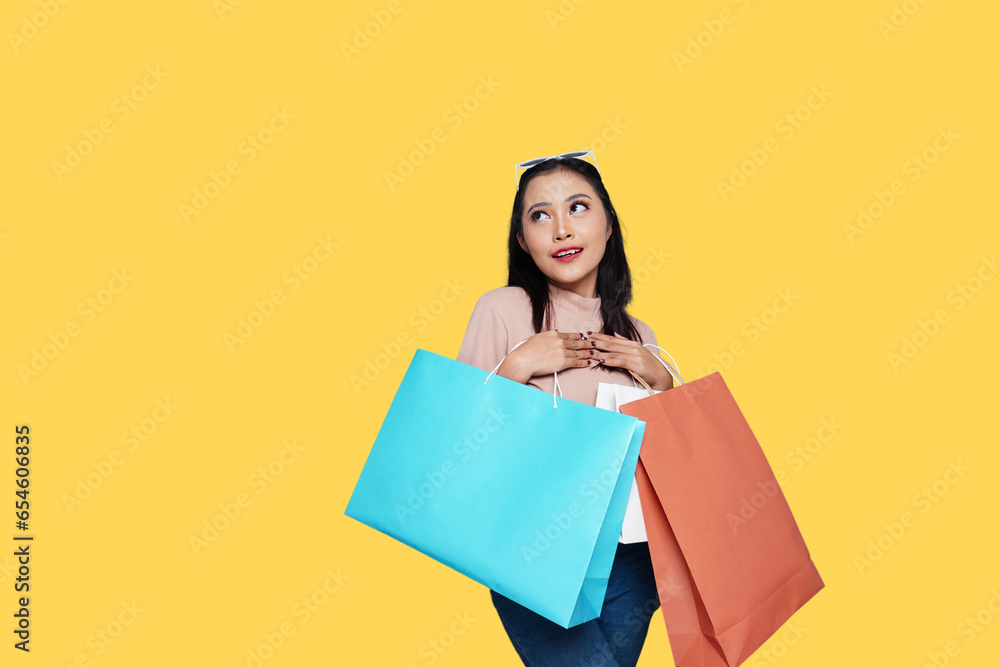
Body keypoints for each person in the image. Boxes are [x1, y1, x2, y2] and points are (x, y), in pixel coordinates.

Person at [456, 152, 673, 666]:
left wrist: (663, 383)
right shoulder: (501, 310)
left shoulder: (641, 337)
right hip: (534, 550)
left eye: (578, 207)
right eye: (540, 215)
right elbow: (454, 440)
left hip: (633, 559)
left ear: (608, 224)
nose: (561, 229)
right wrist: (517, 365)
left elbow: (668, 463)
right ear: (522, 240)